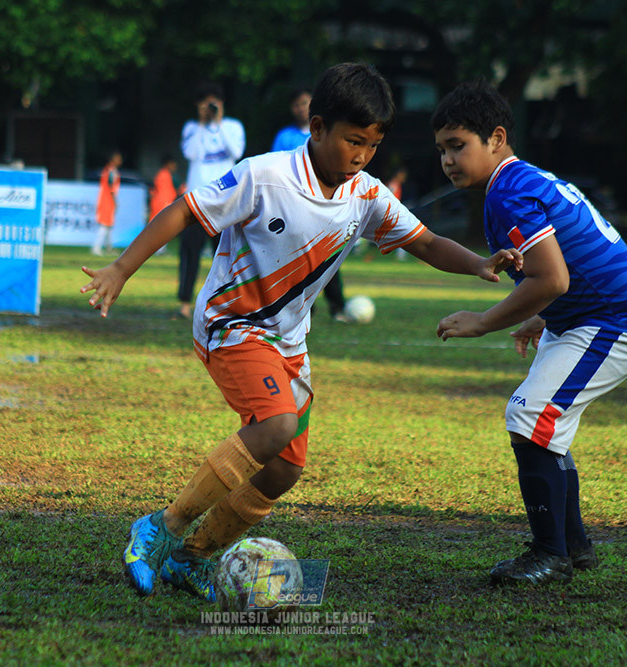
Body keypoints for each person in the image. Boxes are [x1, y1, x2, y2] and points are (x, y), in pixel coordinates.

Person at [80, 63, 522, 601]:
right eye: (352, 140)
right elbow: (183, 211)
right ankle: (160, 529)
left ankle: (191, 559)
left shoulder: (367, 195)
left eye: (372, 145)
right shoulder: (264, 175)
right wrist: (120, 269)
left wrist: (479, 264)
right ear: (317, 129)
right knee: (274, 425)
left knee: (284, 469)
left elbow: (425, 242)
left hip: (288, 343)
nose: (361, 155)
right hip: (232, 324)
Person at [432, 82, 627, 585]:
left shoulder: (510, 191)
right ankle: (574, 546)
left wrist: (484, 321)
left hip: (615, 321)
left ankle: (549, 552)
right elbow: (562, 270)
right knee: (544, 426)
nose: (448, 160)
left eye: (458, 145)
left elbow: (552, 278)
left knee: (530, 414)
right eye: (442, 149)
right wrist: (541, 315)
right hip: (587, 314)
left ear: (496, 138)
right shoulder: (517, 181)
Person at [271, 87, 349, 322]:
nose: (300, 108)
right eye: (296, 104)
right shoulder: (284, 136)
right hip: (292, 204)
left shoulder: (327, 133)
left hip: (322, 203)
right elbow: (276, 168)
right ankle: (302, 309)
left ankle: (338, 307)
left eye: (304, 102)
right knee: (296, 257)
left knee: (326, 254)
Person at [177, 83, 246, 319]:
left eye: (214, 102)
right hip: (197, 199)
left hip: (225, 200)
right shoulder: (191, 128)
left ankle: (224, 304)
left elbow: (236, 151)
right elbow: (190, 154)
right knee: (190, 252)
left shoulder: (232, 126)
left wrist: (217, 123)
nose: (210, 106)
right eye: (205, 103)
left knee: (225, 254)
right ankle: (184, 303)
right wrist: (202, 124)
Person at [92, 150, 123, 256]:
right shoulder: (111, 172)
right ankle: (96, 248)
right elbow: (112, 188)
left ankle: (109, 248)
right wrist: (115, 201)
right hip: (107, 201)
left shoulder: (109, 170)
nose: (120, 160)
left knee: (109, 225)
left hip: (107, 200)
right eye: (118, 158)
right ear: (112, 160)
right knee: (104, 224)